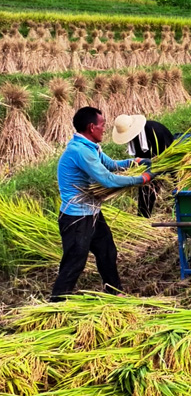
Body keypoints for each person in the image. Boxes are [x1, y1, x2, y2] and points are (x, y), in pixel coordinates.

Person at [52, 107, 155, 301]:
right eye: (102, 125)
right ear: (92, 127)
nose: (104, 129)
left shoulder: (91, 147)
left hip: (91, 212)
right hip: (76, 217)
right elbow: (107, 179)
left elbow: (111, 165)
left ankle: (114, 291)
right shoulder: (81, 151)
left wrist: (135, 162)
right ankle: (56, 302)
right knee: (75, 261)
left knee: (107, 251)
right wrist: (141, 179)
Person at [112, 114, 174, 218]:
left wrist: (151, 172)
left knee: (177, 190)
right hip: (149, 164)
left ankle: (179, 213)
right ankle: (143, 218)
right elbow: (139, 158)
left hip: (167, 160)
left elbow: (165, 158)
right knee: (145, 190)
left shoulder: (155, 131)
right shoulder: (134, 138)